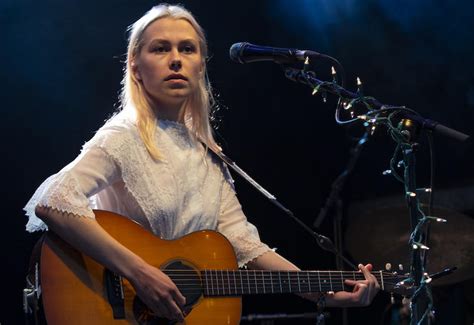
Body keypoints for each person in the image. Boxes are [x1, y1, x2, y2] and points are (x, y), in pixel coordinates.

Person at [24, 3, 379, 322]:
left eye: (187, 49)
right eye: (160, 48)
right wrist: (140, 273)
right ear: (135, 67)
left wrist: (323, 291)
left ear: (200, 66)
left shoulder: (207, 154)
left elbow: (243, 244)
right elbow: (53, 200)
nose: (175, 59)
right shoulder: (123, 136)